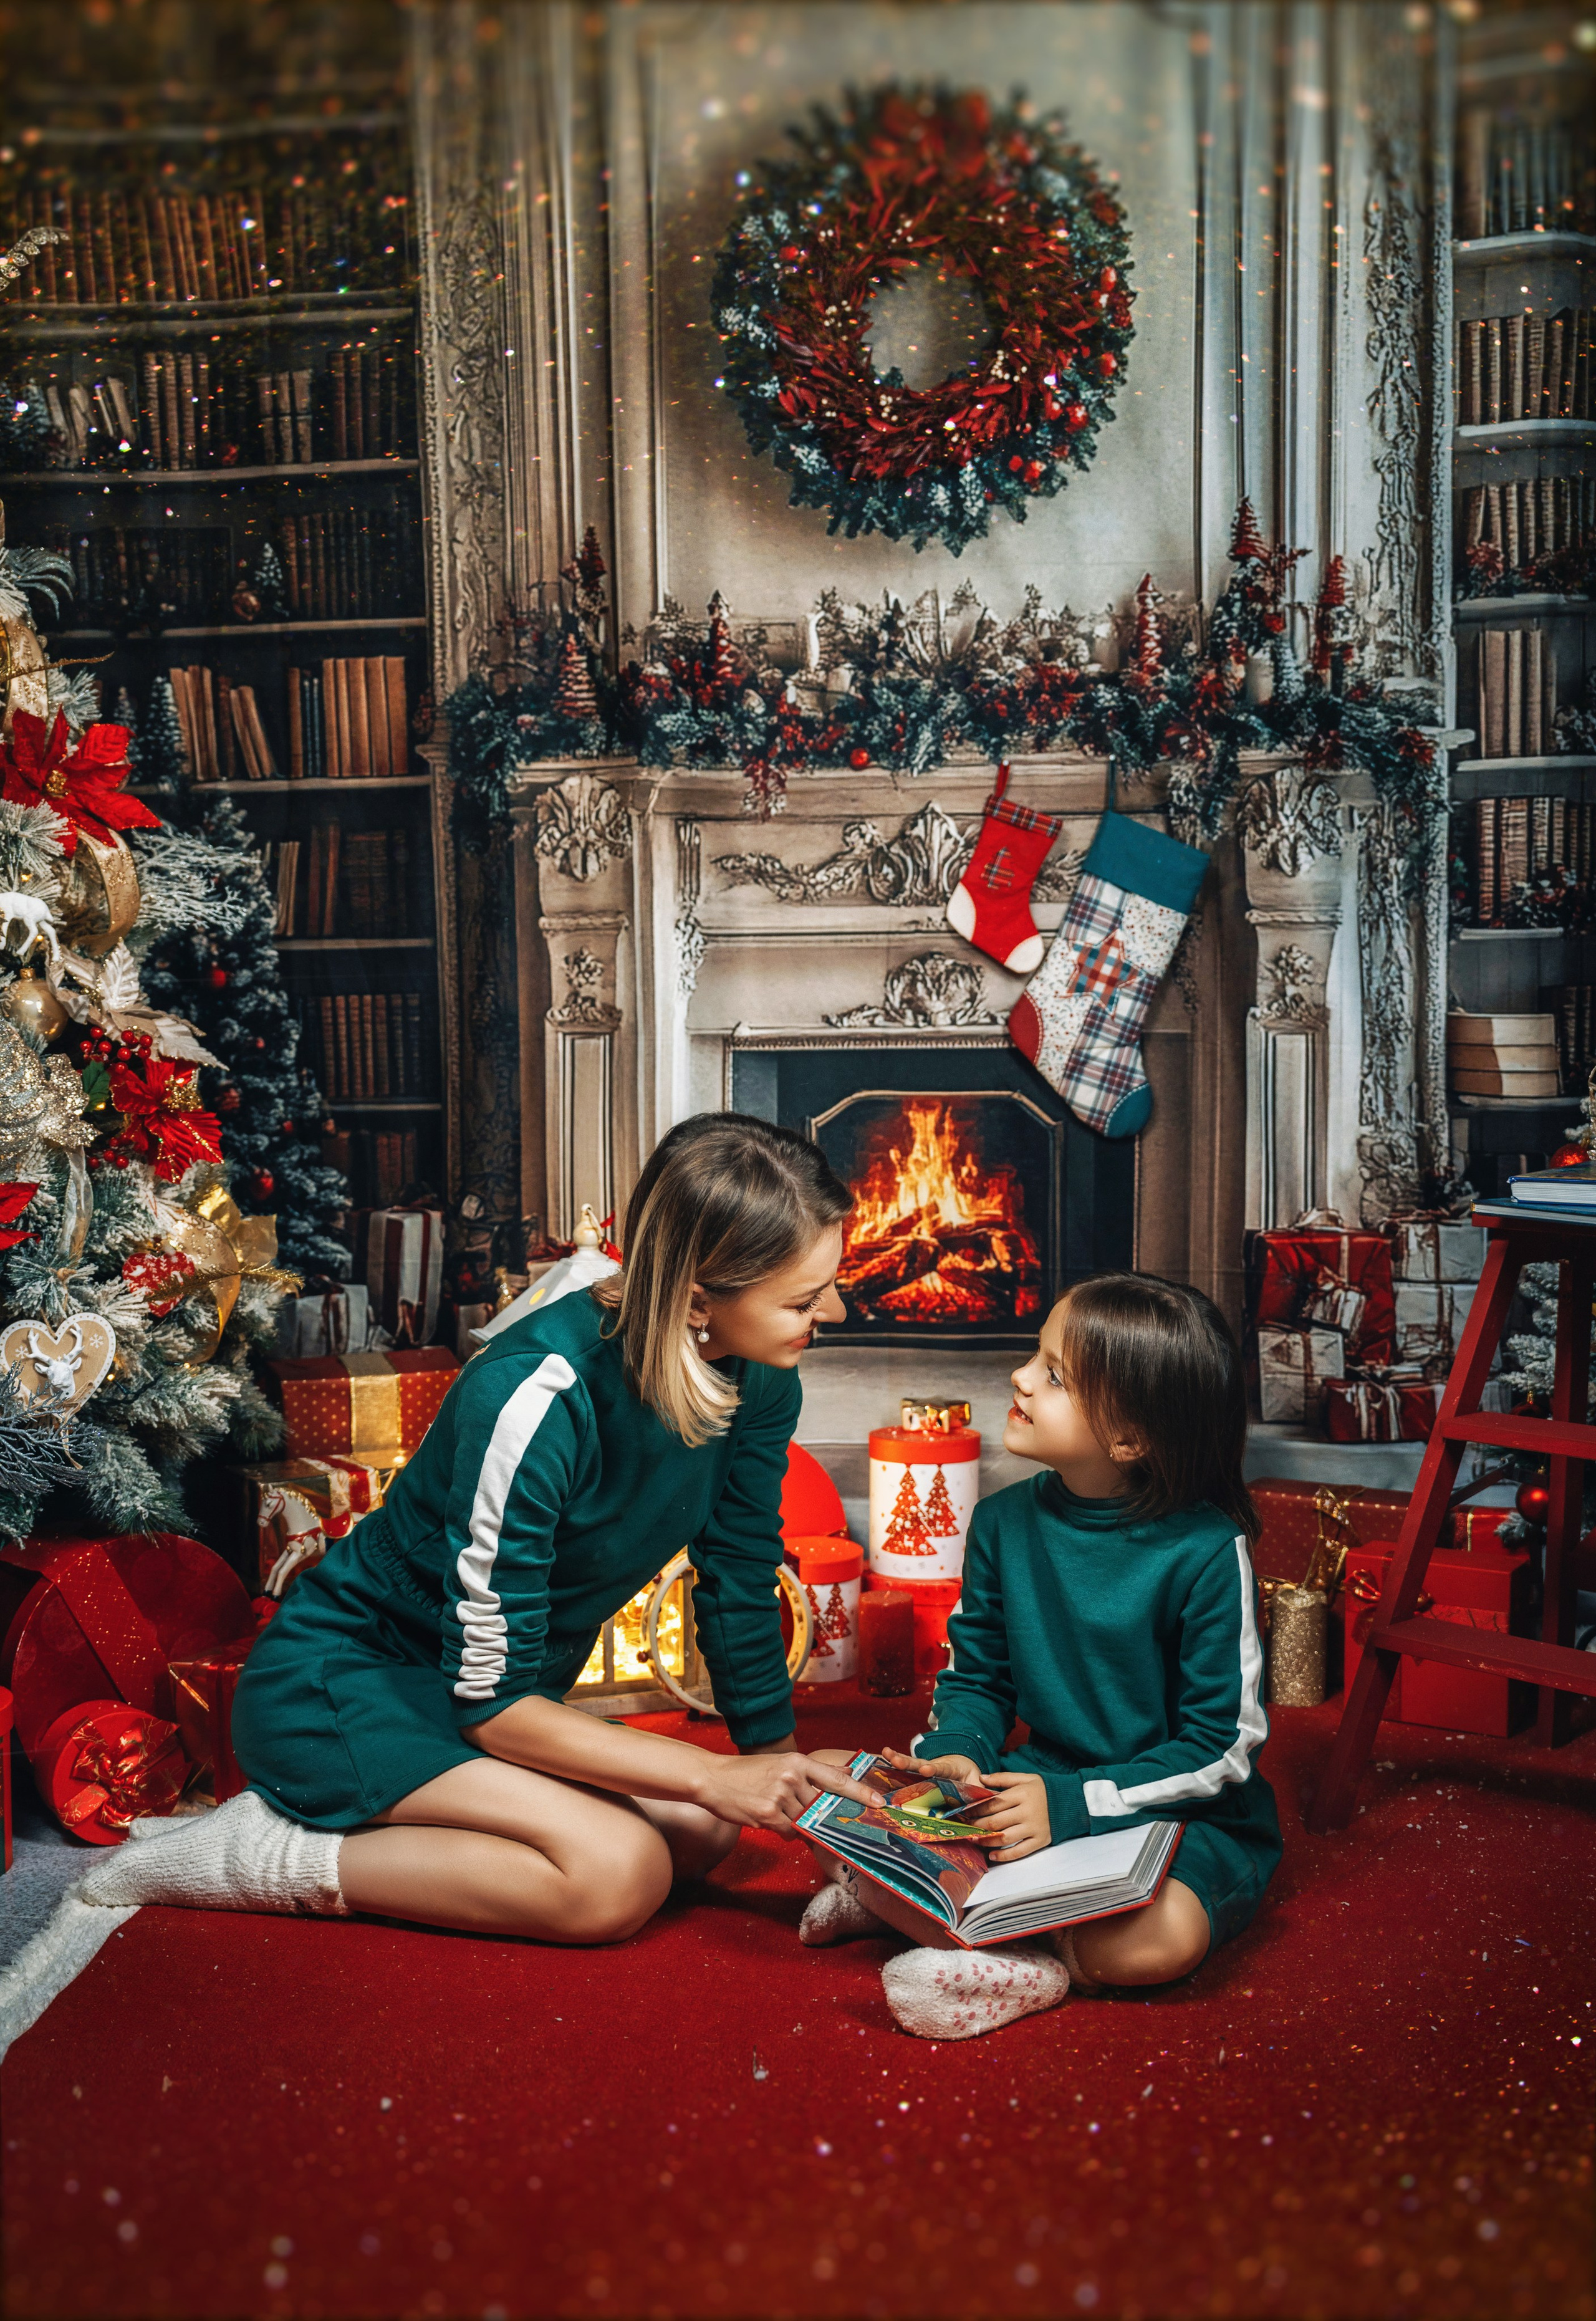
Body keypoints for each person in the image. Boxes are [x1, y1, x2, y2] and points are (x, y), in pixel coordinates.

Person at [83, 1113, 875, 1938]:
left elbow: (740, 1582)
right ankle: (262, 1853)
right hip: (350, 1684)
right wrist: (712, 1773)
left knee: (705, 1828)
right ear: (697, 1295)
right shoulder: (536, 1391)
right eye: (804, 1296)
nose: (838, 1309)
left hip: (498, 1693)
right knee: (618, 1874)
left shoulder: (760, 1379)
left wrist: (792, 1784)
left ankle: (424, 1822)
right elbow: (490, 1702)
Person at [802, 1271, 1281, 2040]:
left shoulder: (1204, 1550)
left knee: (1164, 1940)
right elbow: (977, 1680)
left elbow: (1220, 1749)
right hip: (1035, 1789)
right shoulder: (999, 1523)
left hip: (1170, 1813)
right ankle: (956, 1916)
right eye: (1035, 1354)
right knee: (819, 1780)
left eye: (1054, 1374)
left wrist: (1071, 1807)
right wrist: (955, 1756)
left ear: (1128, 1438)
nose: (1020, 1376)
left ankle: (1013, 1957)